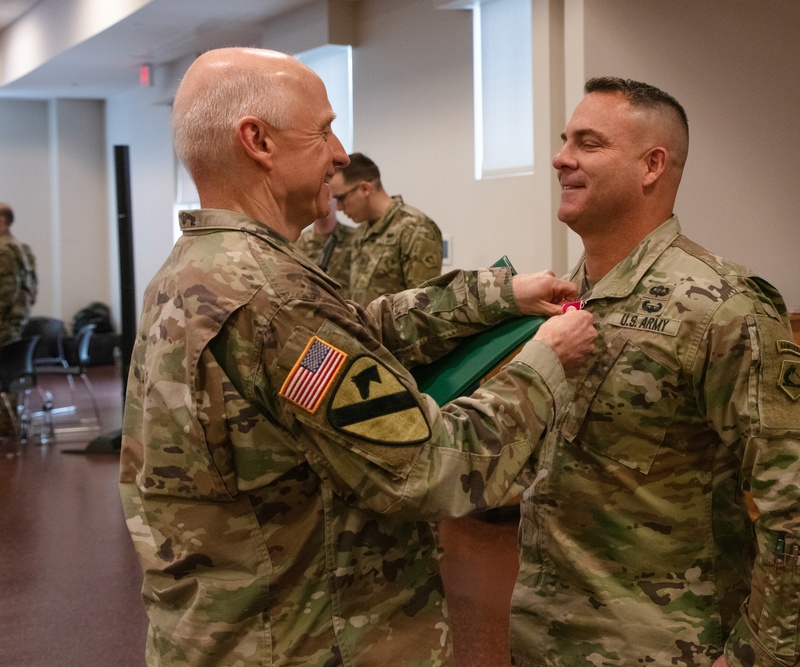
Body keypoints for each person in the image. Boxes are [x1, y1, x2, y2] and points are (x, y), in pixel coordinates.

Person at [118, 47, 596, 667]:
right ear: (257, 140)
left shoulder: (198, 272)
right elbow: (432, 467)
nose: (340, 153)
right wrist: (545, 364)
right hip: (303, 640)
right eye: (322, 131)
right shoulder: (272, 297)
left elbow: (353, 333)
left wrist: (495, 294)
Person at [507, 77, 800, 667]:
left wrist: (756, 657)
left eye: (587, 143)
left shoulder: (721, 305)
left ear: (652, 166)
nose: (561, 158)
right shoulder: (566, 301)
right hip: (546, 638)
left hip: (665, 646)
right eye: (565, 141)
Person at [329, 152, 443, 305]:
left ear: (364, 189)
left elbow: (423, 306)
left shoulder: (415, 229)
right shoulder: (362, 231)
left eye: (341, 198)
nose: (339, 208)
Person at [295, 196, 355, 286]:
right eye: (316, 198)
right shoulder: (297, 243)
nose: (323, 203)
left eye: (327, 198)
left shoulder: (355, 239)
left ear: (337, 202)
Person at [0, 202, 38, 346]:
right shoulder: (22, 249)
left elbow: (7, 288)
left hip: (4, 320)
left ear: (2, 221)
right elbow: (33, 287)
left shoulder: (3, 249)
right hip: (17, 317)